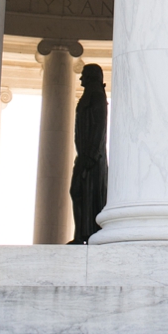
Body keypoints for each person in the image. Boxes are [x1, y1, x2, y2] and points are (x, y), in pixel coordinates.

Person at [69, 63, 108, 244]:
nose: (80, 78)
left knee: (89, 194)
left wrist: (91, 156)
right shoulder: (89, 96)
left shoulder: (97, 97)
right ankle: (81, 234)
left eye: (84, 74)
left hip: (92, 158)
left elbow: (99, 128)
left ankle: (89, 234)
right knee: (78, 192)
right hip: (84, 156)